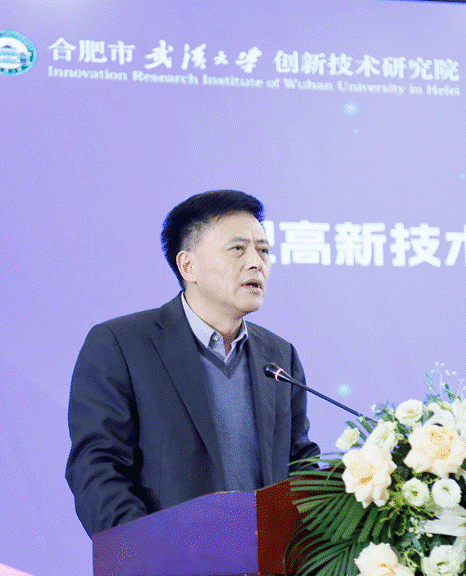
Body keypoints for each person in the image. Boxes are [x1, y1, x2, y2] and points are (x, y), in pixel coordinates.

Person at [65, 190, 320, 537]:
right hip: (168, 559)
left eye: (263, 250)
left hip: (269, 558)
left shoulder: (279, 354)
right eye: (238, 249)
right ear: (188, 266)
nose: (256, 262)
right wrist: (149, 550)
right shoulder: (122, 345)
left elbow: (300, 462)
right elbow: (97, 469)